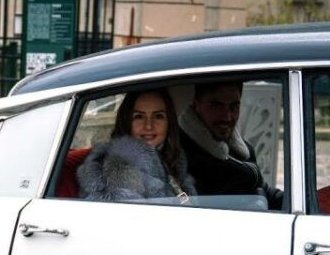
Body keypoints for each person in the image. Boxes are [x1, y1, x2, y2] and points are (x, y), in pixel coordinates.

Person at [77, 89, 196, 203]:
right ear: (126, 121)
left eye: (158, 116)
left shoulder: (172, 160)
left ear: (169, 122)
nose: (149, 126)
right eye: (139, 116)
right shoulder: (117, 169)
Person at [179, 81, 284, 209]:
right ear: (196, 104)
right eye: (217, 106)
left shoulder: (238, 148)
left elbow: (262, 189)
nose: (227, 116)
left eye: (234, 107)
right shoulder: (183, 156)